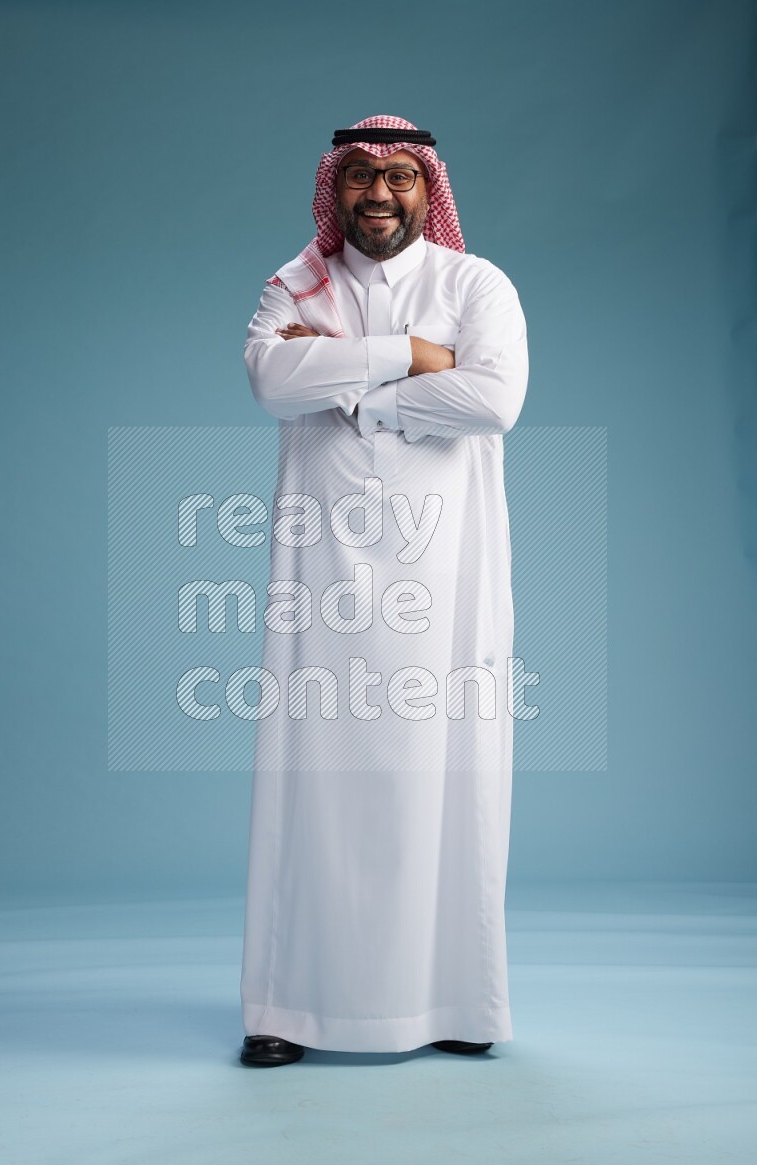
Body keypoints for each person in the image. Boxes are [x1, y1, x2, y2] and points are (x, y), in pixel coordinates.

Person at [239, 115, 529, 1067]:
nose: (378, 195)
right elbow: (272, 379)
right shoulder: (296, 282)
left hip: (446, 581)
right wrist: (410, 356)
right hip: (320, 580)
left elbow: (493, 400)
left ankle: (454, 1003)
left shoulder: (474, 283)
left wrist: (352, 384)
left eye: (400, 177)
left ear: (426, 186)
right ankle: (287, 1008)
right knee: (311, 786)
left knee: (448, 782)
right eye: (360, 176)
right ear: (336, 186)